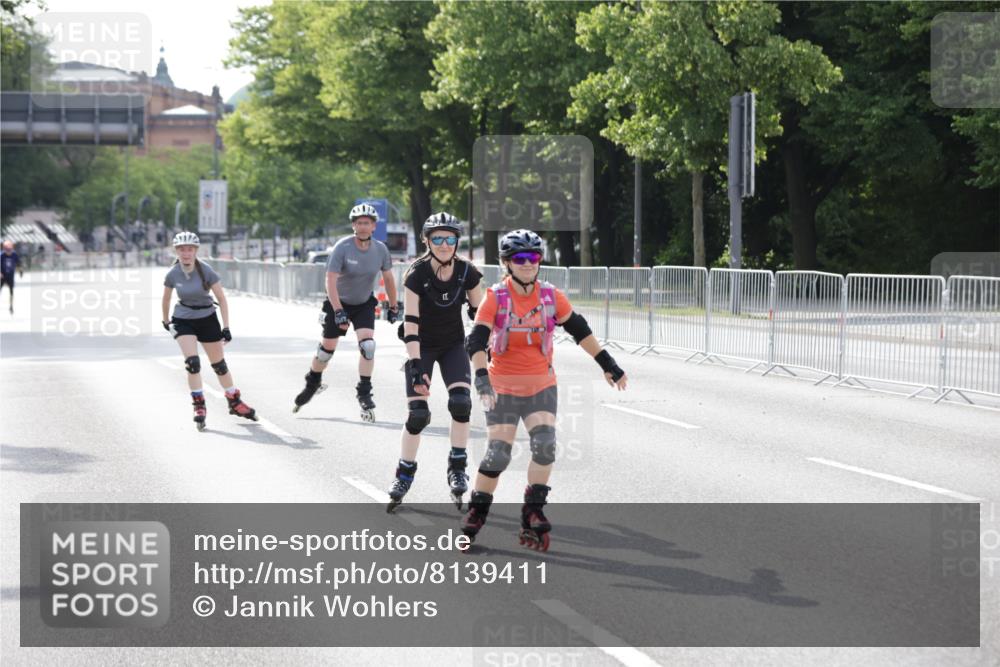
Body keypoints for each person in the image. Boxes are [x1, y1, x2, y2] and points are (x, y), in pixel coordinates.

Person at [461, 229, 628, 551]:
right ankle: (477, 513)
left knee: (546, 446)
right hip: (502, 387)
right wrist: (481, 377)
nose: (528, 264)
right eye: (520, 259)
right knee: (498, 454)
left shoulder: (550, 296)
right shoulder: (496, 297)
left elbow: (580, 330)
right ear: (507, 263)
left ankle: (532, 509)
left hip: (541, 385)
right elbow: (476, 340)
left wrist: (608, 363)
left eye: (533, 257)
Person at [387, 213, 484, 513]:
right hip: (423, 347)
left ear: (457, 242)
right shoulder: (416, 275)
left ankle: (457, 465)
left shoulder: (468, 272)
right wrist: (416, 366)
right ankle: (404, 473)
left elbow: (481, 318)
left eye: (450, 239)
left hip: (453, 345)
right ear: (427, 241)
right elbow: (411, 323)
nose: (444, 244)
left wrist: (484, 343)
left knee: (461, 404)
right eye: (438, 239)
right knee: (418, 415)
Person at [293, 203, 399, 422]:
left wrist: (394, 304)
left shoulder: (380, 249)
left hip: (363, 303)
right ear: (353, 225)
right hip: (337, 301)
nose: (362, 227)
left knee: (368, 346)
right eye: (359, 223)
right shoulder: (342, 247)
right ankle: (313, 381)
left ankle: (364, 393)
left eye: (367, 223)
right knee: (326, 351)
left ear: (373, 226)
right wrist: (338, 310)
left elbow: (388, 279)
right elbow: (329, 280)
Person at [161, 231, 257, 431]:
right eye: (181, 250)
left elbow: (221, 299)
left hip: (207, 318)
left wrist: (226, 327)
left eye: (190, 249)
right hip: (183, 319)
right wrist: (166, 321)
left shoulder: (206, 271)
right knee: (192, 363)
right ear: (176, 251)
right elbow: (166, 298)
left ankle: (234, 400)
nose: (186, 253)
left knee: (219, 365)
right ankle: (199, 405)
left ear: (196, 251)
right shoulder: (172, 274)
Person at [1, 240, 21, 314]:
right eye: (7, 250)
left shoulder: (14, 255)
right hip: (2, 276)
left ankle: (11, 306)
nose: (9, 252)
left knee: (11, 292)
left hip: (10, 276)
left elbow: (18, 263)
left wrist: (20, 271)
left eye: (10, 250)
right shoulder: (1, 255)